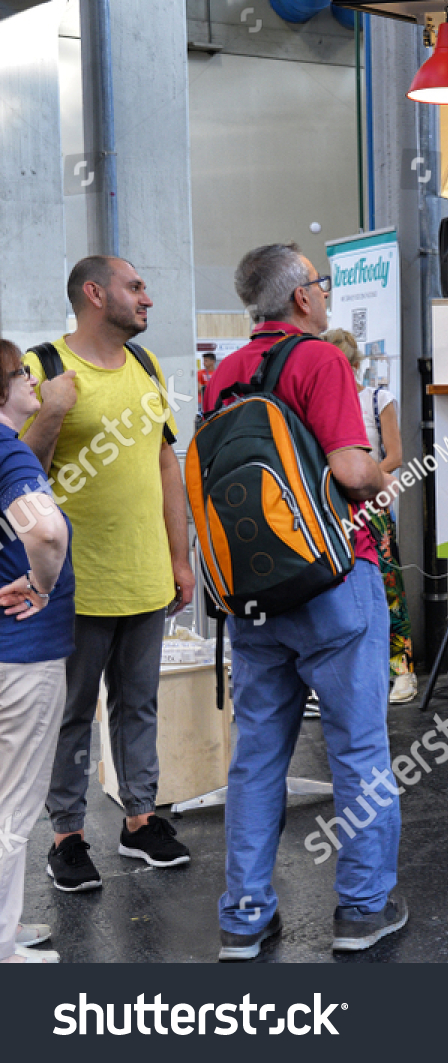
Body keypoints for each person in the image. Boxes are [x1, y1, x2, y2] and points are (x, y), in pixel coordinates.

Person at [205, 244, 404, 960]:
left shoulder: (224, 373)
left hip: (254, 594)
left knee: (258, 758)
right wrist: (386, 476)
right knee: (358, 750)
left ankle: (245, 916)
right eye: (318, 282)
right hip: (330, 583)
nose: (322, 292)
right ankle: (361, 908)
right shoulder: (319, 359)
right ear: (301, 300)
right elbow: (352, 469)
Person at [22, 256, 194, 892]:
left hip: (144, 574)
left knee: (139, 705)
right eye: (136, 287)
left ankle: (140, 820)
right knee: (70, 714)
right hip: (73, 583)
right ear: (96, 294)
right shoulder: (44, 370)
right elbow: (20, 476)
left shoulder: (148, 368)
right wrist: (53, 414)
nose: (147, 298)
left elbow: (166, 465)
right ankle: (67, 835)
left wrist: (180, 559)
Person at [0, 340, 74, 964]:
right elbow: (44, 527)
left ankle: (6, 923)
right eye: (21, 371)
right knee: (13, 804)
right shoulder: (8, 451)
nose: (32, 380)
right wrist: (43, 584)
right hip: (21, 654)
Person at [323, 329, 415, 705]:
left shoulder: (377, 399)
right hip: (333, 509)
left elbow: (394, 454)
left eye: (343, 365)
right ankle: (352, 673)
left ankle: (402, 670)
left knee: (387, 587)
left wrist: (363, 479)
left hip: (371, 507)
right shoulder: (323, 402)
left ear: (356, 365)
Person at [196, 351, 216, 416]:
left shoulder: (217, 373)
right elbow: (199, 388)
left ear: (212, 362)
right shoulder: (200, 373)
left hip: (213, 401)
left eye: (206, 361)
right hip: (201, 402)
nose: (203, 363)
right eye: (204, 360)